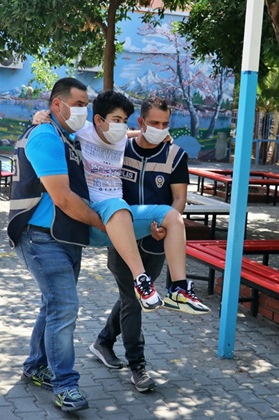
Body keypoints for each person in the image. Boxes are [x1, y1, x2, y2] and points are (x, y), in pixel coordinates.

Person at [89, 96, 207, 392]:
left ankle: (103, 341)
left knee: (136, 295)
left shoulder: (175, 155)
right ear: (140, 122)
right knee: (133, 299)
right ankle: (137, 366)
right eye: (153, 123)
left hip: (157, 239)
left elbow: (178, 198)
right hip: (122, 235)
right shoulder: (119, 147)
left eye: (165, 124)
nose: (159, 128)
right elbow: (89, 134)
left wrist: (168, 224)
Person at [7, 77, 105, 412]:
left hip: (64, 237)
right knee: (65, 307)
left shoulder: (67, 136)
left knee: (53, 305)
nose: (83, 110)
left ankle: (36, 365)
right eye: (78, 104)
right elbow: (62, 198)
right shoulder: (47, 135)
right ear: (57, 105)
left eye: (86, 104)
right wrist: (105, 225)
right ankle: (65, 385)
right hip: (40, 236)